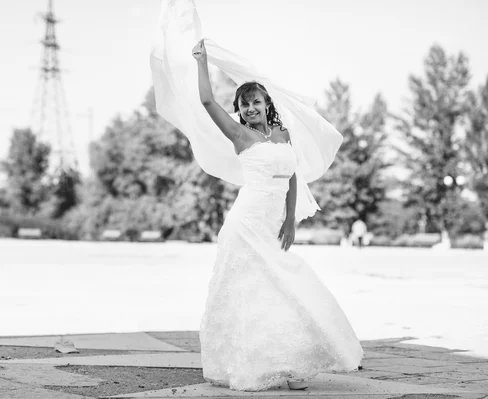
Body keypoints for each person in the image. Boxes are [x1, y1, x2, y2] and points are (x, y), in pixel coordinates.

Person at [150, 0, 363, 391]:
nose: (249, 108)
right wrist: (201, 62)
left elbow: (292, 173)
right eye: (244, 104)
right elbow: (207, 102)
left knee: (282, 288)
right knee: (252, 292)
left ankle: (286, 363)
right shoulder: (239, 135)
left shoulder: (282, 136)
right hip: (245, 221)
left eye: (255, 102)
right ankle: (254, 365)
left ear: (267, 105)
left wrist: (289, 220)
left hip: (271, 223)